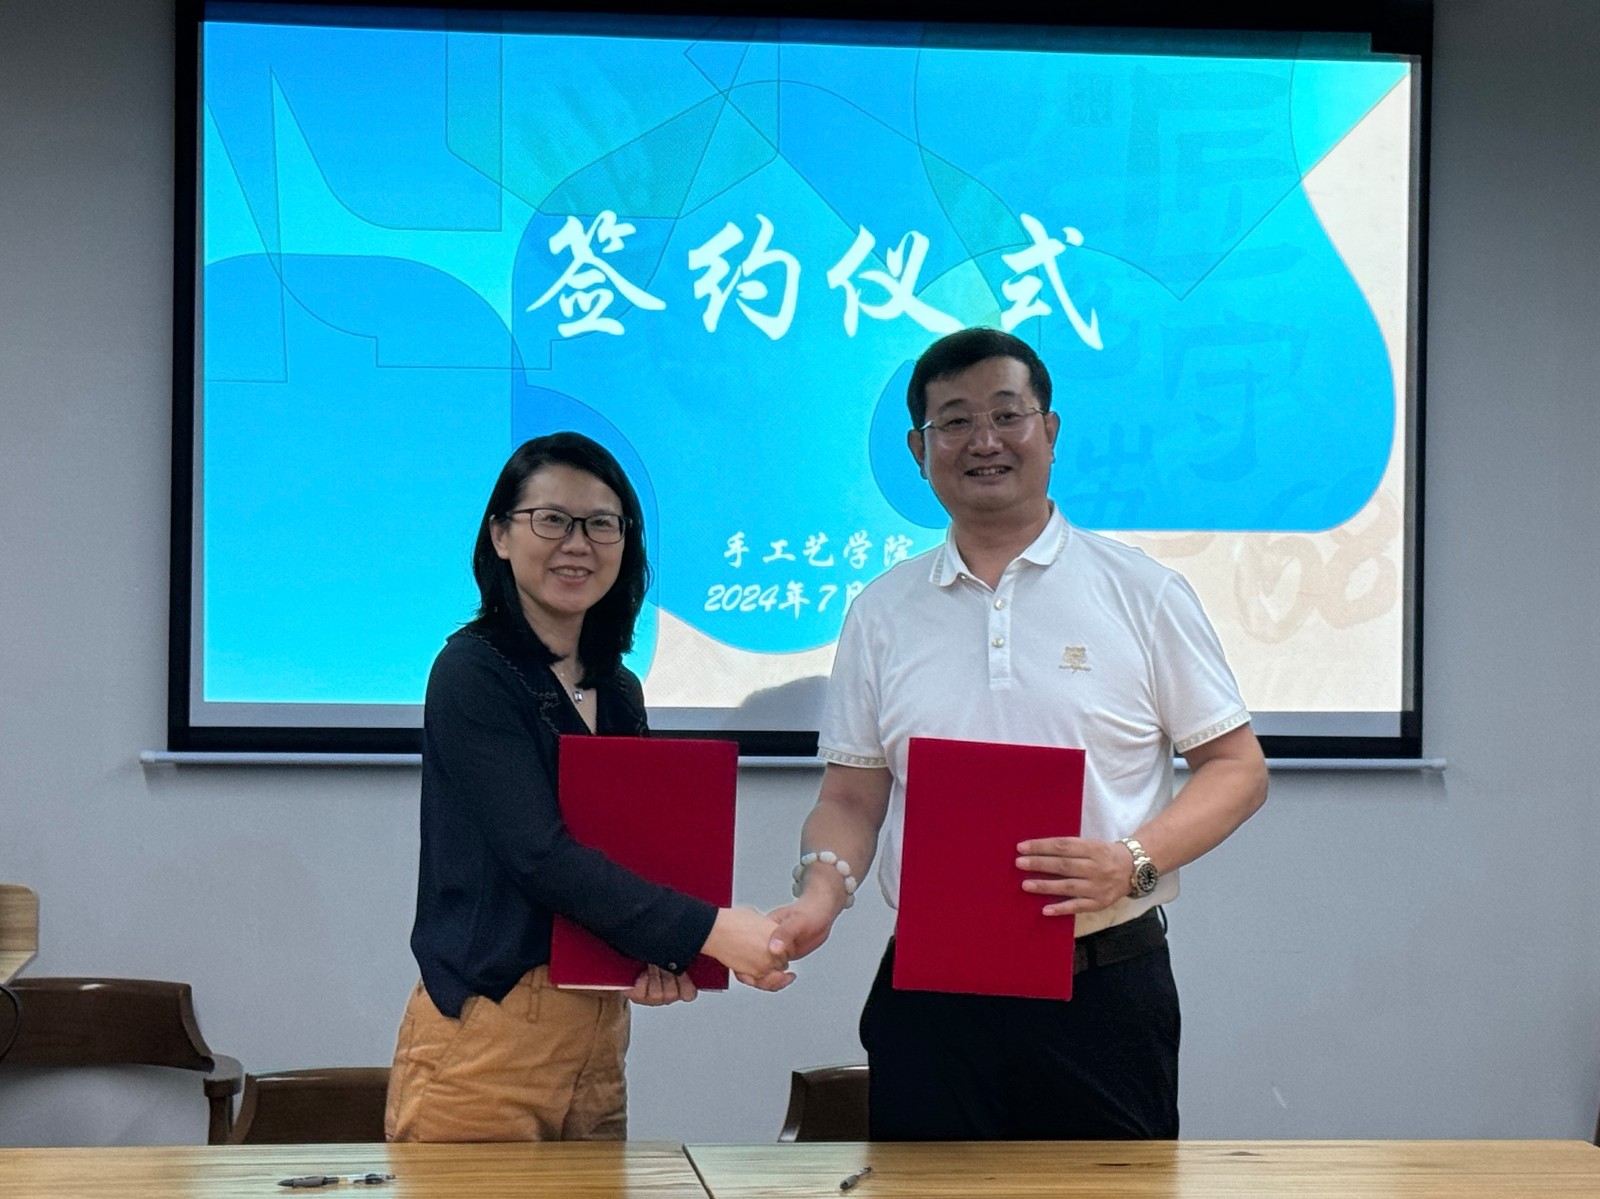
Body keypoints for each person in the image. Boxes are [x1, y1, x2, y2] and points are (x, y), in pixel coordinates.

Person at [768, 328, 1268, 1141]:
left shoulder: (1141, 591)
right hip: (932, 992)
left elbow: (1237, 768)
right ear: (918, 450)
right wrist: (819, 895)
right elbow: (852, 797)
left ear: (1051, 431)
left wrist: (1131, 860)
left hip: (1103, 984)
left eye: (1008, 415)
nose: (984, 441)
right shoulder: (882, 612)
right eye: (955, 422)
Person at [386, 431, 791, 1144]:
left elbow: (625, 853)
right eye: (552, 519)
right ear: (500, 535)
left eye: (602, 523)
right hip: (490, 1031)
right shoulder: (472, 671)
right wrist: (710, 931)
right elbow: (540, 856)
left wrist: (656, 957)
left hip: (599, 1025)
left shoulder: (619, 688)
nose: (577, 544)